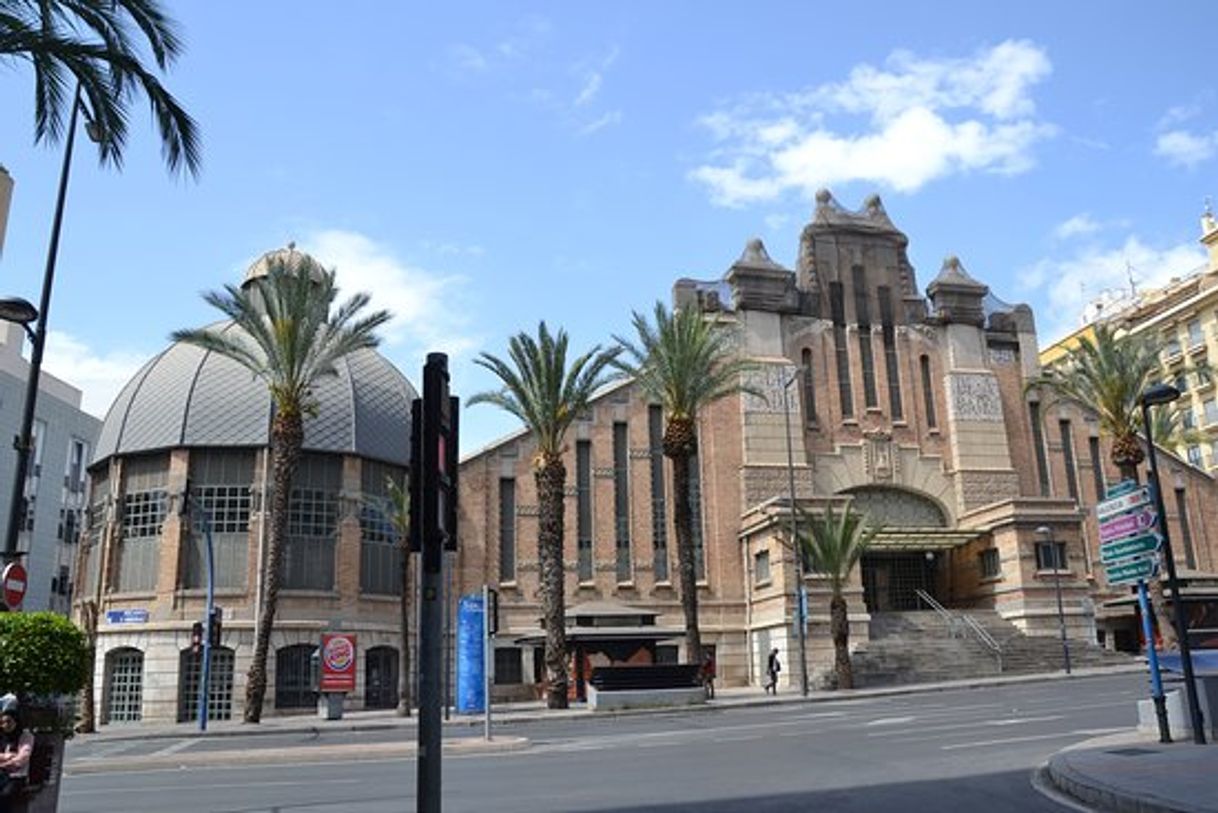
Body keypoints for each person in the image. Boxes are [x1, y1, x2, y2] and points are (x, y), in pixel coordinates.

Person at [0, 694, 33, 813]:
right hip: (1, 775)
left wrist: (4, 764)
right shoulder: (1, 736)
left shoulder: (25, 736)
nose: (5, 725)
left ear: (16, 721)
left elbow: (22, 758)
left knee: (4, 796)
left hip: (17, 777)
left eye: (9, 722)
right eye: (2, 723)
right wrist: (6, 756)